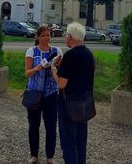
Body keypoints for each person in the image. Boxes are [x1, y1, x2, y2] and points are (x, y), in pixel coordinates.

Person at [51, 22, 96, 164]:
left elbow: (62, 83)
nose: (65, 38)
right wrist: (62, 67)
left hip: (69, 105)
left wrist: (54, 70)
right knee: (81, 142)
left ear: (70, 37)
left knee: (68, 143)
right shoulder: (89, 54)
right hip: (85, 104)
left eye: (66, 35)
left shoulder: (69, 56)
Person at [25, 24, 63, 164]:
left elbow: (62, 71)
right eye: (43, 36)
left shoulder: (57, 50)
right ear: (37, 37)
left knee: (51, 127)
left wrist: (56, 65)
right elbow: (27, 74)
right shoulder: (31, 51)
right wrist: (38, 67)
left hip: (51, 94)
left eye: (48, 35)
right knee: (34, 126)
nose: (46, 38)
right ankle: (34, 155)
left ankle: (50, 157)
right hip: (34, 93)